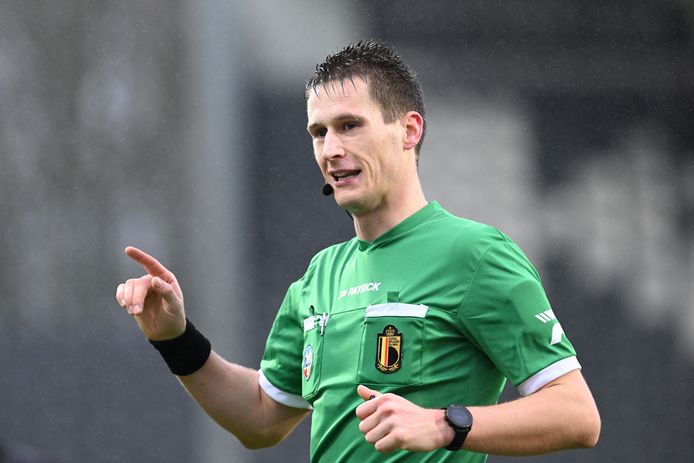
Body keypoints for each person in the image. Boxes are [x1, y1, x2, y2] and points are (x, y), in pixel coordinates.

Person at [115, 40, 600, 462]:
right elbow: (261, 419)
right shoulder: (318, 277)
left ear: (409, 130)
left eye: (350, 125)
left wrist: (444, 424)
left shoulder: (475, 254)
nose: (330, 149)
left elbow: (577, 414)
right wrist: (175, 338)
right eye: (319, 132)